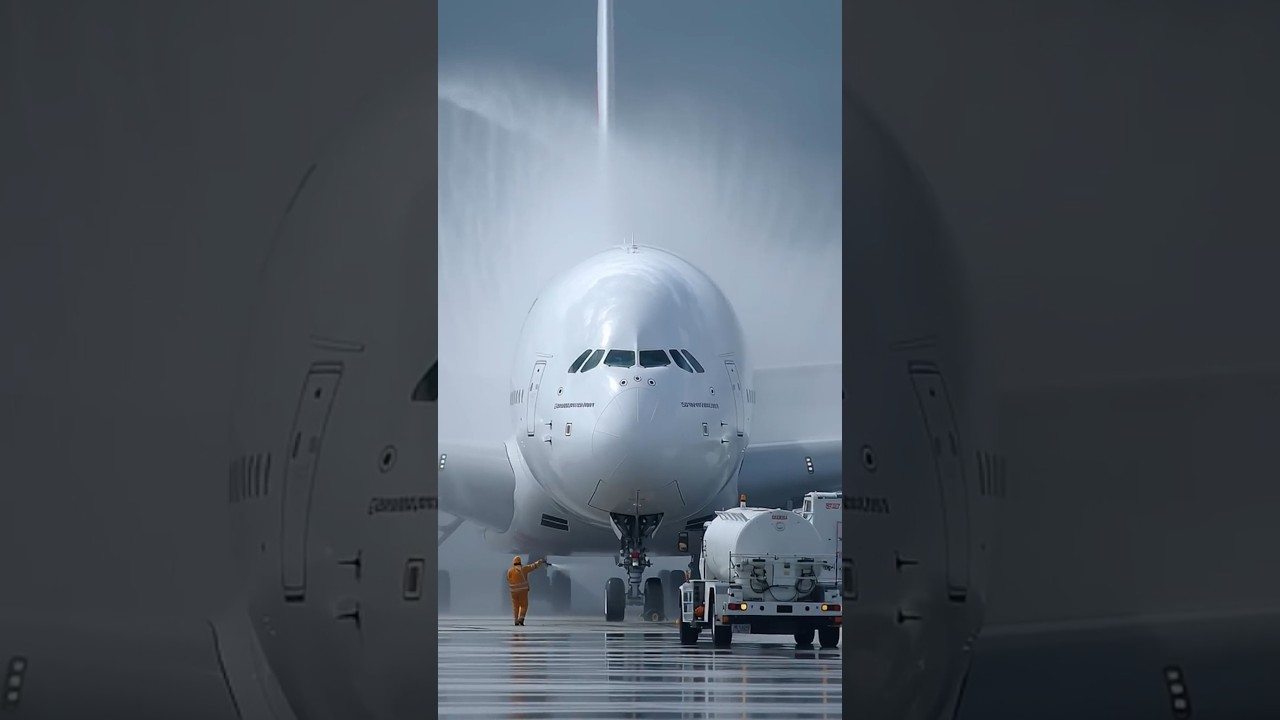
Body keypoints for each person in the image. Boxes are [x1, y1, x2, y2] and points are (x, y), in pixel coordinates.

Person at [507, 556, 546, 626]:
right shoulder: (524, 569)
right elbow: (533, 566)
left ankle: (516, 620)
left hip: (513, 592)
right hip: (522, 591)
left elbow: (508, 579)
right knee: (524, 605)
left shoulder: (510, 570)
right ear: (520, 562)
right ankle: (521, 619)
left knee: (515, 606)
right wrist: (540, 562)